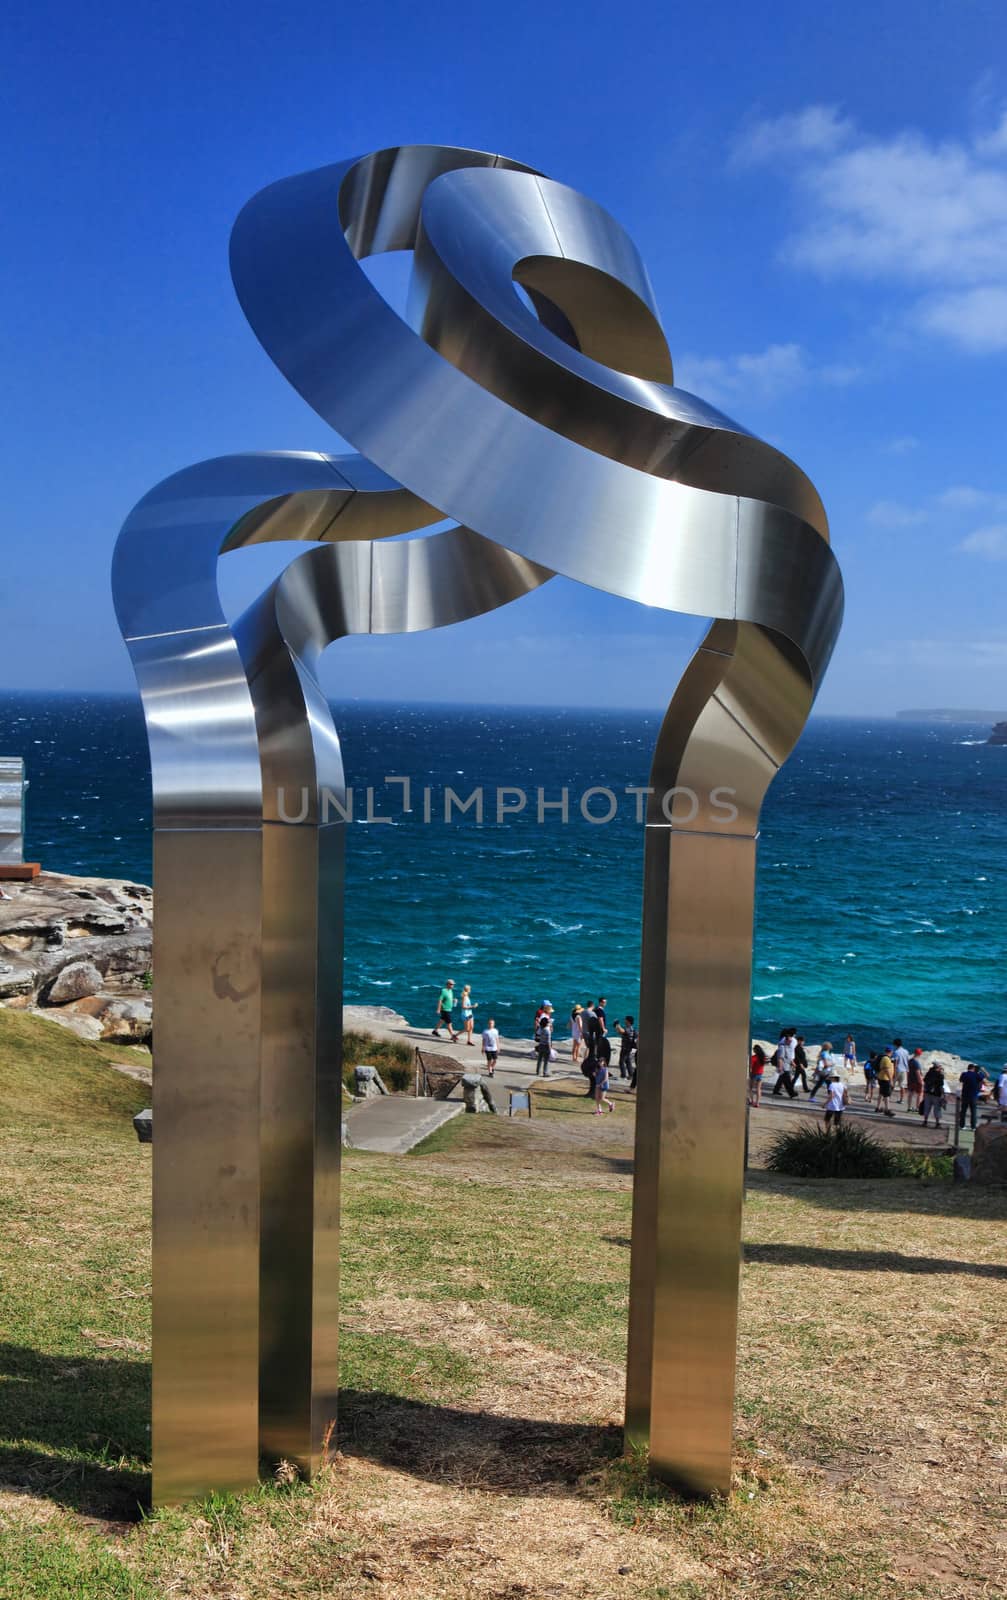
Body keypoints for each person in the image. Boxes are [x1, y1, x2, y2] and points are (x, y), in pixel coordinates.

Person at [958, 1063, 983, 1129]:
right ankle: (973, 1127)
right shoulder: (976, 1075)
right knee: (973, 1112)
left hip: (965, 1095)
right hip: (973, 1096)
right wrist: (981, 1071)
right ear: (973, 1068)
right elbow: (984, 1077)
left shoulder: (964, 1074)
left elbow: (961, 1080)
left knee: (963, 1111)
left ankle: (962, 1125)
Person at [922, 1061, 945, 1128]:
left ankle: (925, 1121)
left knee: (927, 1108)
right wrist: (943, 1094)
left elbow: (925, 1081)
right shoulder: (940, 1075)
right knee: (937, 1109)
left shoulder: (929, 1073)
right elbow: (941, 1086)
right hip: (936, 1094)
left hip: (928, 1093)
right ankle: (937, 1123)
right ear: (938, 1067)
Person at [593, 1044, 615, 1114]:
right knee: (596, 1098)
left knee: (602, 1098)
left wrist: (600, 1084)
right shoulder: (597, 1069)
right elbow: (596, 1076)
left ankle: (610, 1104)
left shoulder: (605, 1069)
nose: (600, 1063)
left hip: (603, 1085)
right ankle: (599, 1110)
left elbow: (606, 1078)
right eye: (599, 1061)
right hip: (597, 1084)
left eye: (601, 1062)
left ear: (603, 1062)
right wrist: (594, 1074)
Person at [615, 1015, 638, 1079]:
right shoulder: (629, 1028)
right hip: (627, 1047)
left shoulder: (629, 1028)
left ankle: (623, 1075)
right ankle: (631, 1074)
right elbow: (620, 1032)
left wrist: (618, 1024)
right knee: (627, 1061)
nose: (624, 1021)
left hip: (626, 1047)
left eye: (625, 1020)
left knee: (621, 1061)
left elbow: (622, 1031)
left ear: (628, 1021)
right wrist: (617, 1026)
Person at [874, 1048, 895, 1115]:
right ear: (891, 1051)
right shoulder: (886, 1059)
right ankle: (887, 1109)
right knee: (886, 1095)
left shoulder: (884, 1058)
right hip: (885, 1079)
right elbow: (887, 1070)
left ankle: (878, 1107)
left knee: (881, 1093)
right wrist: (891, 1079)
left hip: (881, 1077)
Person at [534, 1010, 553, 1078]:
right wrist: (550, 1048)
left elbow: (538, 1034)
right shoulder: (547, 1031)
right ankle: (545, 1072)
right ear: (546, 1024)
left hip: (541, 1045)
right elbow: (548, 1041)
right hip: (546, 1046)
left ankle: (537, 1071)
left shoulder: (541, 1029)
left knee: (539, 1059)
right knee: (546, 1061)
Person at [892, 1038, 910, 1104]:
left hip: (897, 1069)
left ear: (895, 1044)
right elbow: (907, 1061)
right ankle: (901, 1100)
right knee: (902, 1086)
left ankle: (888, 1096)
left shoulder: (896, 1052)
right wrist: (908, 1070)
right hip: (904, 1070)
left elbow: (895, 1062)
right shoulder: (906, 1051)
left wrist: (893, 1071)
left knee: (892, 1084)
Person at [906, 1047, 924, 1112]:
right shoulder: (916, 1063)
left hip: (910, 1079)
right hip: (916, 1081)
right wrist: (921, 1081)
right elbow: (918, 1073)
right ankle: (917, 1108)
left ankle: (909, 1107)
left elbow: (907, 1071)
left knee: (910, 1094)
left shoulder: (910, 1061)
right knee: (920, 1094)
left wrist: (908, 1079)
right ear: (919, 1054)